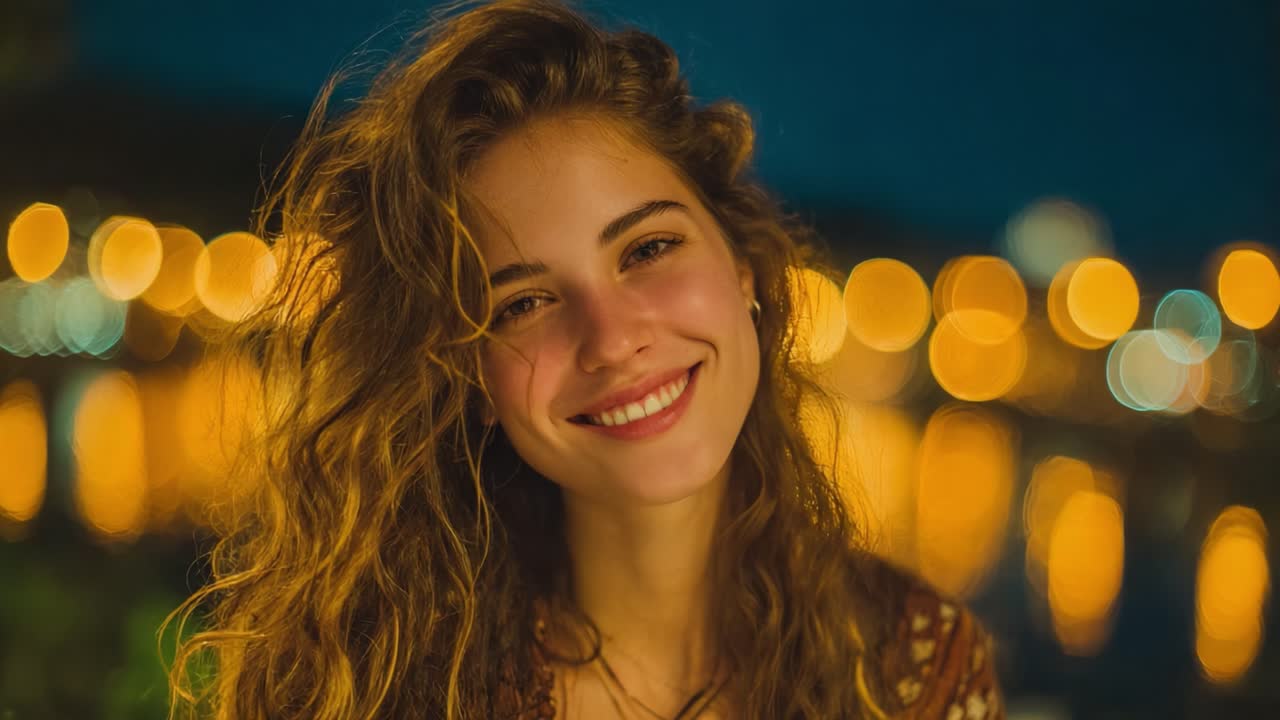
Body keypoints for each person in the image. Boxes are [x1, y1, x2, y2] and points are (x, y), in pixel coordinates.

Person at [163, 1, 1003, 717]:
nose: (610, 339)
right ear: (471, 379)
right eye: (522, 303)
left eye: (647, 249)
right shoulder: (375, 691)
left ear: (742, 267)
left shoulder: (916, 673)